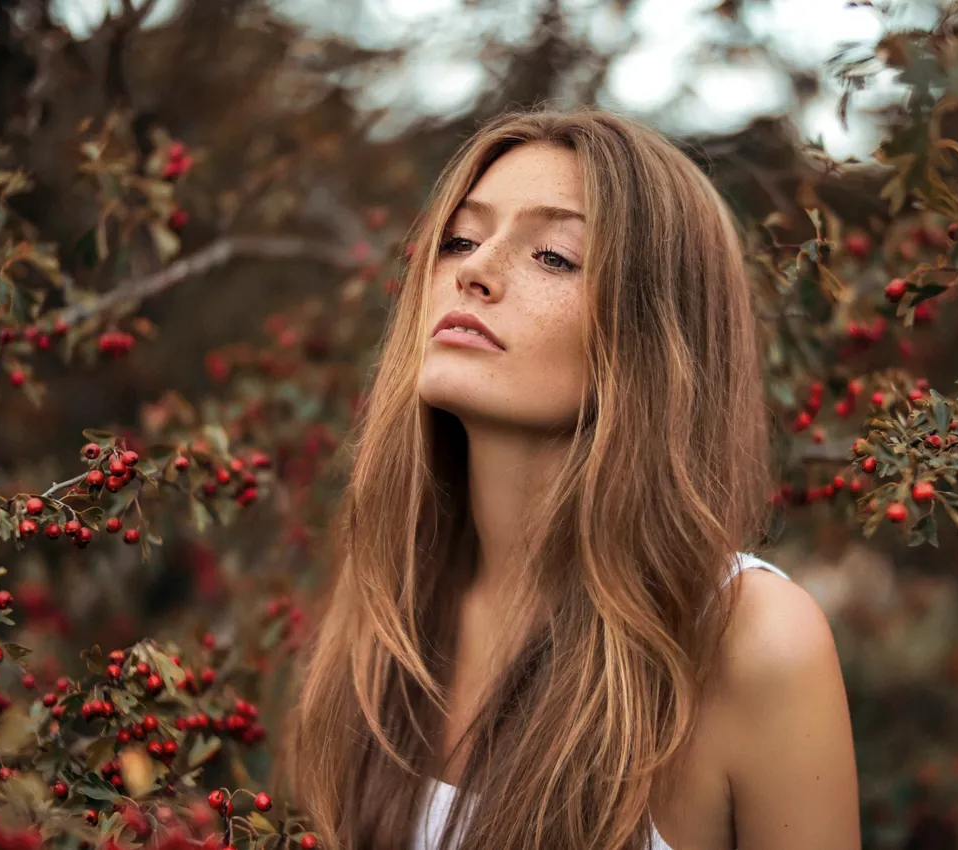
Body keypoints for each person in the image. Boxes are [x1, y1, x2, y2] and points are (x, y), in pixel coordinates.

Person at [281, 106, 859, 849]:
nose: (475, 271)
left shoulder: (749, 639)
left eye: (553, 256)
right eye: (460, 239)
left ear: (656, 338)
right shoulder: (385, 612)